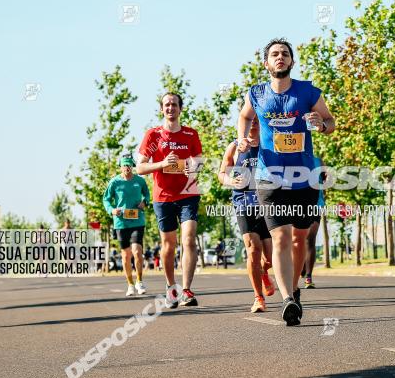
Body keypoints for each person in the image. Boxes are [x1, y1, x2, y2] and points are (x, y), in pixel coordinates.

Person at [237, 38, 336, 325]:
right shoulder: (256, 93)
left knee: (299, 238)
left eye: (285, 54)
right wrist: (241, 137)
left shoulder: (307, 91)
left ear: (291, 61)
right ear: (266, 63)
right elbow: (244, 116)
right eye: (274, 54)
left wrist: (321, 123)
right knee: (280, 236)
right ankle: (287, 299)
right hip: (269, 178)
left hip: (303, 177)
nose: (280, 58)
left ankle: (294, 289)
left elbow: (330, 122)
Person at [137, 92, 203, 309]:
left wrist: (188, 166)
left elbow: (198, 165)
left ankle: (186, 290)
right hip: (163, 196)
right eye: (167, 105)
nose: (170, 108)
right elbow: (140, 168)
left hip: (188, 193)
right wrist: (162, 164)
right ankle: (170, 286)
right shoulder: (153, 136)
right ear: (161, 109)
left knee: (189, 238)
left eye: (174, 104)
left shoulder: (190, 134)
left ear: (180, 108)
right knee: (169, 244)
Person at [218, 117, 276, 312]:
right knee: (253, 249)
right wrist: (229, 181)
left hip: (267, 203)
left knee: (269, 258)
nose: (252, 124)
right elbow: (221, 173)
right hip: (243, 203)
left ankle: (264, 272)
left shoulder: (269, 144)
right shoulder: (234, 147)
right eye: (248, 121)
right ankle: (258, 298)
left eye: (256, 121)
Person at [103, 153, 151, 296]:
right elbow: (106, 199)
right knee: (125, 255)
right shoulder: (115, 182)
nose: (127, 168)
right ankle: (130, 284)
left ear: (133, 166)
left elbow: (147, 194)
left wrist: (145, 202)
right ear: (120, 167)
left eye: (129, 165)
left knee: (137, 251)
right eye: (124, 165)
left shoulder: (140, 181)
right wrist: (111, 210)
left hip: (137, 220)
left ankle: (139, 281)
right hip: (121, 222)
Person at [300, 157, 326, 288]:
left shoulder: (319, 161)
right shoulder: (293, 158)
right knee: (299, 238)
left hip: (317, 203)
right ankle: (301, 266)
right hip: (297, 204)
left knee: (310, 237)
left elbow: (325, 180)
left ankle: (308, 277)